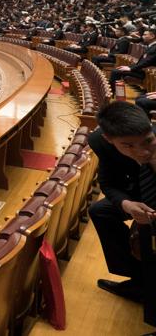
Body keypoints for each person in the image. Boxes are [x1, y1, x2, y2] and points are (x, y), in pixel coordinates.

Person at [88, 101, 156, 304]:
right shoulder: (99, 142)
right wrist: (126, 204)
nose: (142, 151)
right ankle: (140, 280)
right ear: (109, 139)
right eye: (128, 145)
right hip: (137, 194)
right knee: (100, 211)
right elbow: (107, 183)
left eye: (148, 141)